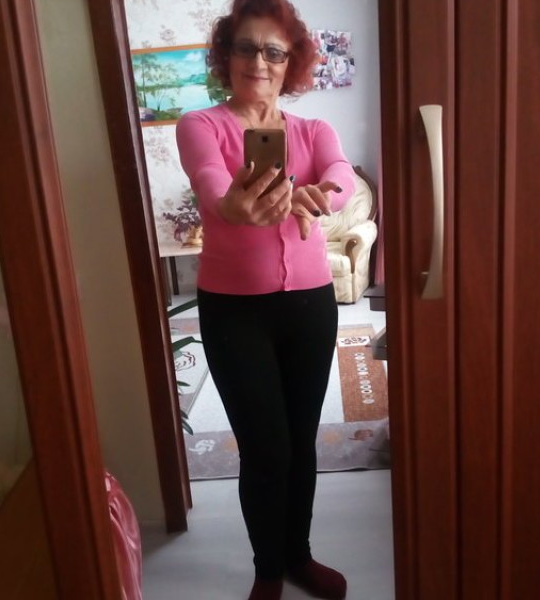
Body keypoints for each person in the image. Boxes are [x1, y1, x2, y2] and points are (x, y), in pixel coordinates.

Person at [176, 1, 355, 598]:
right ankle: (268, 569)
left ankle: (299, 555)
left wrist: (323, 192)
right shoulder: (201, 125)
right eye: (246, 47)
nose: (259, 61)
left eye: (274, 51)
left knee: (300, 441)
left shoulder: (313, 130)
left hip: (310, 306)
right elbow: (210, 180)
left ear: (291, 63)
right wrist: (231, 205)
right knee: (265, 447)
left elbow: (339, 170)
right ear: (226, 56)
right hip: (235, 312)